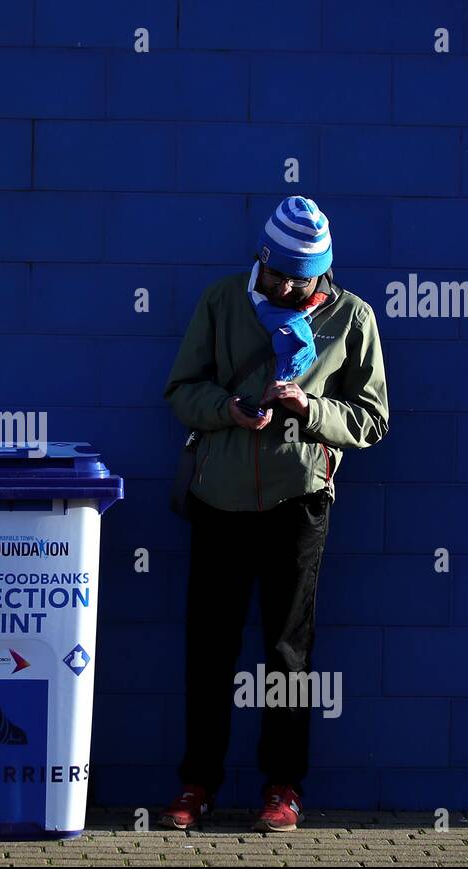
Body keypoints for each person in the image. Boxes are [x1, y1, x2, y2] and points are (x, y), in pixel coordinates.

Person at [159, 196, 390, 833]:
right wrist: (227, 409)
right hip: (220, 500)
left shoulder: (352, 319)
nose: (288, 286)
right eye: (278, 273)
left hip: (299, 504)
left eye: (302, 276)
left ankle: (282, 788)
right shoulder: (221, 302)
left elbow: (372, 419)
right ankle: (197, 783)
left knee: (288, 653)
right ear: (259, 259)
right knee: (210, 648)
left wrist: (309, 411)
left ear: (323, 271)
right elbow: (181, 390)